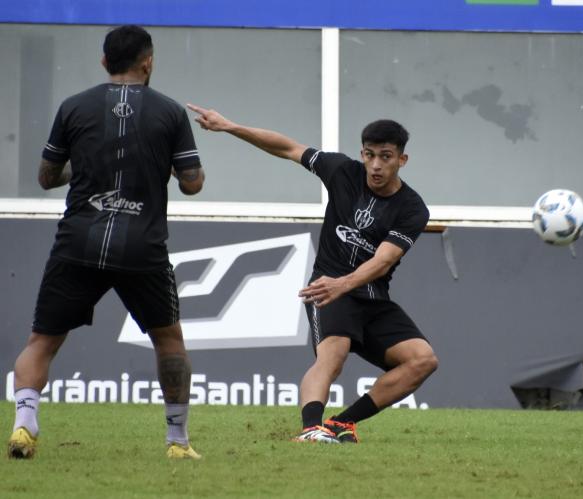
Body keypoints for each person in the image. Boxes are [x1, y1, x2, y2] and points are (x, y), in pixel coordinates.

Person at [6, 25, 206, 460]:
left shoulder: (73, 107)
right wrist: (167, 163)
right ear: (148, 61)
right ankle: (177, 442)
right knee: (169, 342)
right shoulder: (170, 113)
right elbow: (192, 184)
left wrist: (82, 164)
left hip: (78, 241)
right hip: (142, 246)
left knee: (41, 341)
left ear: (104, 62)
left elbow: (45, 178)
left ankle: (24, 425)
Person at [186, 104, 438, 444]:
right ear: (361, 153)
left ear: (402, 160)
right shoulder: (342, 171)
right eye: (369, 155)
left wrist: (344, 284)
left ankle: (340, 424)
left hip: (370, 297)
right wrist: (230, 126)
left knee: (422, 361)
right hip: (326, 288)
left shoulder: (412, 208)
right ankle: (310, 429)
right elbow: (287, 147)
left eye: (386, 157)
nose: (376, 165)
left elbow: (383, 261)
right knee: (333, 356)